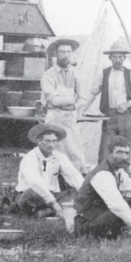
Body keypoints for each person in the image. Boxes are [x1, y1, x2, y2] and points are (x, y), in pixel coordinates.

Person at [74, 135, 131, 239]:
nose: (124, 157)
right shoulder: (102, 174)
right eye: (119, 152)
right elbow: (116, 205)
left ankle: (127, 230)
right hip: (86, 224)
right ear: (109, 154)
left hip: (101, 214)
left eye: (126, 153)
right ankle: (129, 230)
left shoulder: (118, 171)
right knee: (119, 211)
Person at [87, 42, 131, 159]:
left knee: (125, 149)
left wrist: (128, 104)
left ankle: (123, 175)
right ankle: (104, 175)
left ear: (124, 58)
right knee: (105, 150)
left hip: (127, 117)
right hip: (109, 117)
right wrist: (81, 110)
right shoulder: (103, 73)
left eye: (120, 57)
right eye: (114, 57)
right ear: (110, 58)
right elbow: (92, 93)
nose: (117, 60)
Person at [13, 123, 84, 218]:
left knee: (74, 194)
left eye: (54, 141)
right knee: (30, 194)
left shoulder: (60, 156)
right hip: (34, 196)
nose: (51, 145)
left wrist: (85, 192)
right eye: (47, 141)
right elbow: (35, 183)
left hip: (54, 195)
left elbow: (73, 175)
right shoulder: (29, 158)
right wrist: (54, 203)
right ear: (39, 141)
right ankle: (51, 211)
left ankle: (45, 212)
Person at [41, 38, 90, 171]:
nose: (66, 55)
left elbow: (83, 98)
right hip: (54, 118)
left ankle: (77, 183)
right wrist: (72, 100)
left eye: (69, 52)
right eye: (62, 52)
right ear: (56, 54)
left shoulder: (76, 74)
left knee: (74, 151)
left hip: (70, 118)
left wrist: (74, 106)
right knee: (53, 150)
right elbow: (53, 100)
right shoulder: (48, 75)